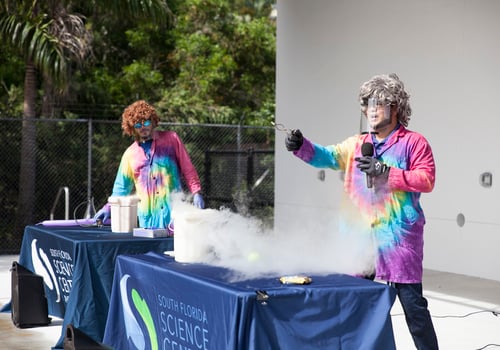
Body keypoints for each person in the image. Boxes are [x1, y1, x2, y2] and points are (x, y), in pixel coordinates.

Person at [285, 73, 438, 350]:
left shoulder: (414, 143)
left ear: (396, 107)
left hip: (398, 242)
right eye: (367, 104)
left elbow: (426, 179)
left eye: (379, 104)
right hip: (358, 241)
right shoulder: (356, 144)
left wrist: (386, 172)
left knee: (414, 310)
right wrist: (301, 146)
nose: (371, 110)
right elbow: (328, 156)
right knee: (355, 307)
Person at [95, 100, 204, 230]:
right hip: (148, 222)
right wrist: (109, 207)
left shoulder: (171, 139)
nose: (143, 127)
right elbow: (121, 187)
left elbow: (188, 168)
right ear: (131, 128)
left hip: (175, 218)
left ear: (153, 121)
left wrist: (196, 192)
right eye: (137, 125)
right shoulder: (130, 154)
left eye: (146, 122)